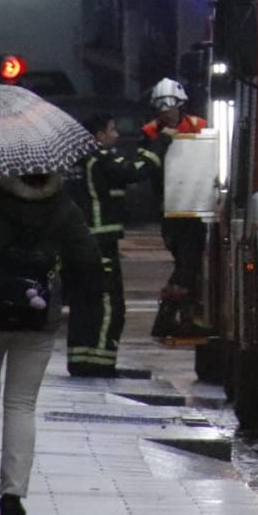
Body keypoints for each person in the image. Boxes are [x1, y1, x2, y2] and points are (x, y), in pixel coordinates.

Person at [0, 169, 101, 515]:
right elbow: (88, 259)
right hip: (37, 315)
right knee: (22, 404)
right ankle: (13, 493)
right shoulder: (63, 205)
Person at [66, 113, 155, 377]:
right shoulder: (99, 159)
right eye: (112, 130)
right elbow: (135, 171)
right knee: (108, 305)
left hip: (77, 243)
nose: (116, 135)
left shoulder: (73, 161)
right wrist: (154, 146)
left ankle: (80, 360)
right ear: (99, 135)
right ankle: (101, 364)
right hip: (99, 243)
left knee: (83, 304)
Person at [139, 78, 210, 339]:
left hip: (197, 205)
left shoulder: (198, 125)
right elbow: (149, 167)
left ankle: (181, 316)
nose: (167, 112)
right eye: (162, 108)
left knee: (191, 265)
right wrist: (163, 141)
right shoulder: (149, 133)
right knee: (186, 264)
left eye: (171, 107)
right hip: (172, 209)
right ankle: (171, 316)